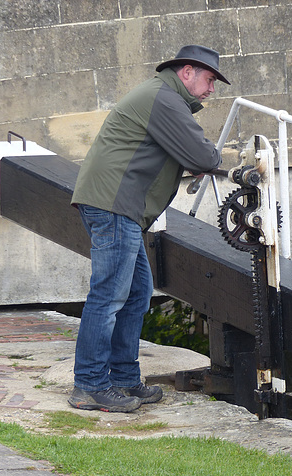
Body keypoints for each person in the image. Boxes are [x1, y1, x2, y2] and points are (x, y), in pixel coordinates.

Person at [68, 45, 230, 412]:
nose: (211, 90)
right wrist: (205, 157)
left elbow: (189, 153)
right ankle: (89, 385)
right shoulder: (165, 99)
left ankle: (123, 378)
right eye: (209, 79)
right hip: (114, 205)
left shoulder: (161, 96)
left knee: (138, 293)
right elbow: (204, 156)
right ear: (186, 72)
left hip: (118, 205)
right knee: (109, 296)